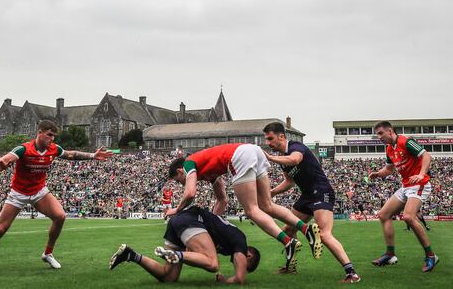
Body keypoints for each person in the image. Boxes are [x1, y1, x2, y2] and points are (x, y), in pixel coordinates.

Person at [0, 120, 113, 272]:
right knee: (0, 230)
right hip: (19, 193)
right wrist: (0, 163)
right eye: (49, 135)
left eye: (54, 136)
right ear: (39, 133)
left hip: (39, 191)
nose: (52, 139)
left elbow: (71, 154)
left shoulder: (53, 149)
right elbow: (6, 158)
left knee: (60, 216)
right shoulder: (23, 149)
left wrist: (93, 155)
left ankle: (48, 253)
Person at [167, 143, 320, 271]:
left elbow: (190, 193)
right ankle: (306, 229)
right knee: (266, 205)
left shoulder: (188, 164)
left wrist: (176, 210)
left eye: (177, 180)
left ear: (180, 171)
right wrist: (213, 228)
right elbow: (222, 200)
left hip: (239, 156)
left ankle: (288, 241)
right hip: (254, 151)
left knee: (252, 211)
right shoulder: (207, 171)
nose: (180, 183)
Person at [264, 122, 360, 283]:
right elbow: (289, 182)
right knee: (287, 230)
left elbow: (295, 159)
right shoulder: (282, 159)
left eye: (270, 138)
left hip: (322, 192)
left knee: (324, 234)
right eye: (266, 139)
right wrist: (272, 191)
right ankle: (291, 266)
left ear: (281, 136)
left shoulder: (296, 146)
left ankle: (352, 273)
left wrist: (270, 158)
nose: (268, 143)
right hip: (307, 196)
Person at [110, 206, 261, 284]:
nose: (238, 266)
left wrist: (189, 252)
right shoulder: (241, 241)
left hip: (181, 223)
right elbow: (240, 279)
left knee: (169, 277)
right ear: (248, 254)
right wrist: (225, 280)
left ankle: (131, 255)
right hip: (192, 219)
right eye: (245, 265)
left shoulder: (227, 243)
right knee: (214, 264)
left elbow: (200, 247)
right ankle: (177, 255)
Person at [368, 121, 439, 272]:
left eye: (381, 133)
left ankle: (431, 256)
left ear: (390, 131)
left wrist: (421, 174)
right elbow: (389, 169)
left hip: (420, 184)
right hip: (406, 186)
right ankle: (390, 254)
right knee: (383, 215)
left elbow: (427, 156)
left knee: (408, 217)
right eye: (377, 134)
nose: (379, 137)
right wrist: (378, 174)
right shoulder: (389, 149)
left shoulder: (406, 141)